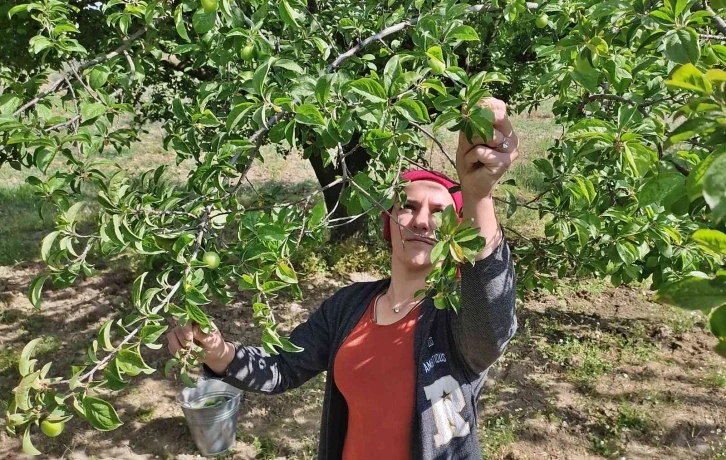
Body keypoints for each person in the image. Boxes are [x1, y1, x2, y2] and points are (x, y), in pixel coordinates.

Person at [167, 97, 519, 459]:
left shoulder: (456, 314)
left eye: (440, 213)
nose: (423, 221)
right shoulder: (348, 307)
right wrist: (218, 350)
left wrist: (478, 195)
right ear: (390, 224)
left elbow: (492, 325)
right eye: (408, 208)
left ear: (456, 234)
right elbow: (282, 368)